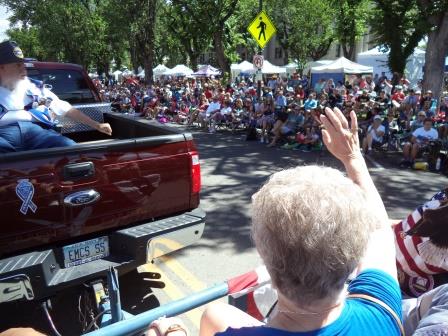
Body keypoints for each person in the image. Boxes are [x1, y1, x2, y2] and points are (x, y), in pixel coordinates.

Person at [196, 107, 401, 335]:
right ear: (356, 255)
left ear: (264, 257)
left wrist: (170, 330)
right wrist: (352, 157)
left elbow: (379, 229)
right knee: (215, 314)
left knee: (213, 315)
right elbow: (380, 229)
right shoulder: (381, 309)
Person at [0, 41, 112, 153]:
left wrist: (97, 125)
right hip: (3, 134)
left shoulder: (35, 88)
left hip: (37, 133)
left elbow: (66, 109)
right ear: (2, 68)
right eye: (18, 65)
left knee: (70, 149)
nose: (24, 68)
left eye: (23, 64)